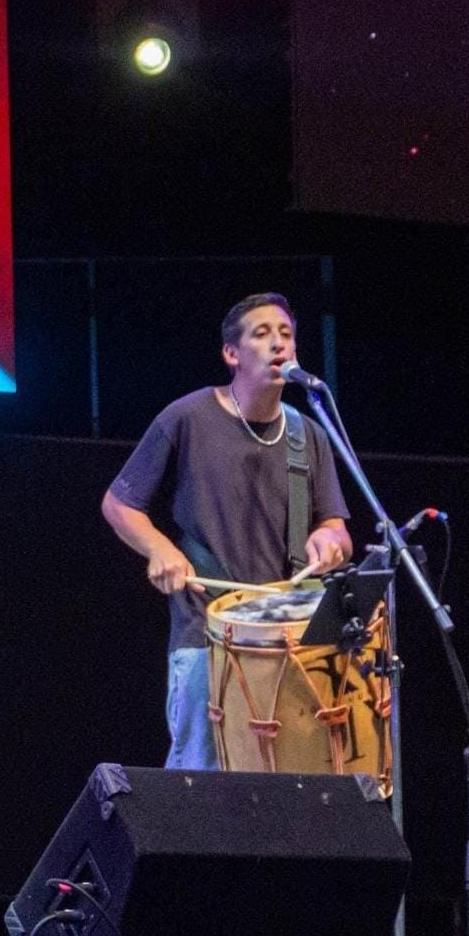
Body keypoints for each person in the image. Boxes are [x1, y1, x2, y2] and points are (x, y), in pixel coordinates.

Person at [101, 292, 352, 771]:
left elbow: (335, 526)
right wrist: (160, 549)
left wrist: (330, 542)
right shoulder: (188, 417)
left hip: (287, 638)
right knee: (200, 786)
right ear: (231, 353)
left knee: (292, 786)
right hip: (207, 635)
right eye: (262, 334)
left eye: (286, 334)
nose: (278, 343)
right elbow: (119, 503)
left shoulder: (307, 434)